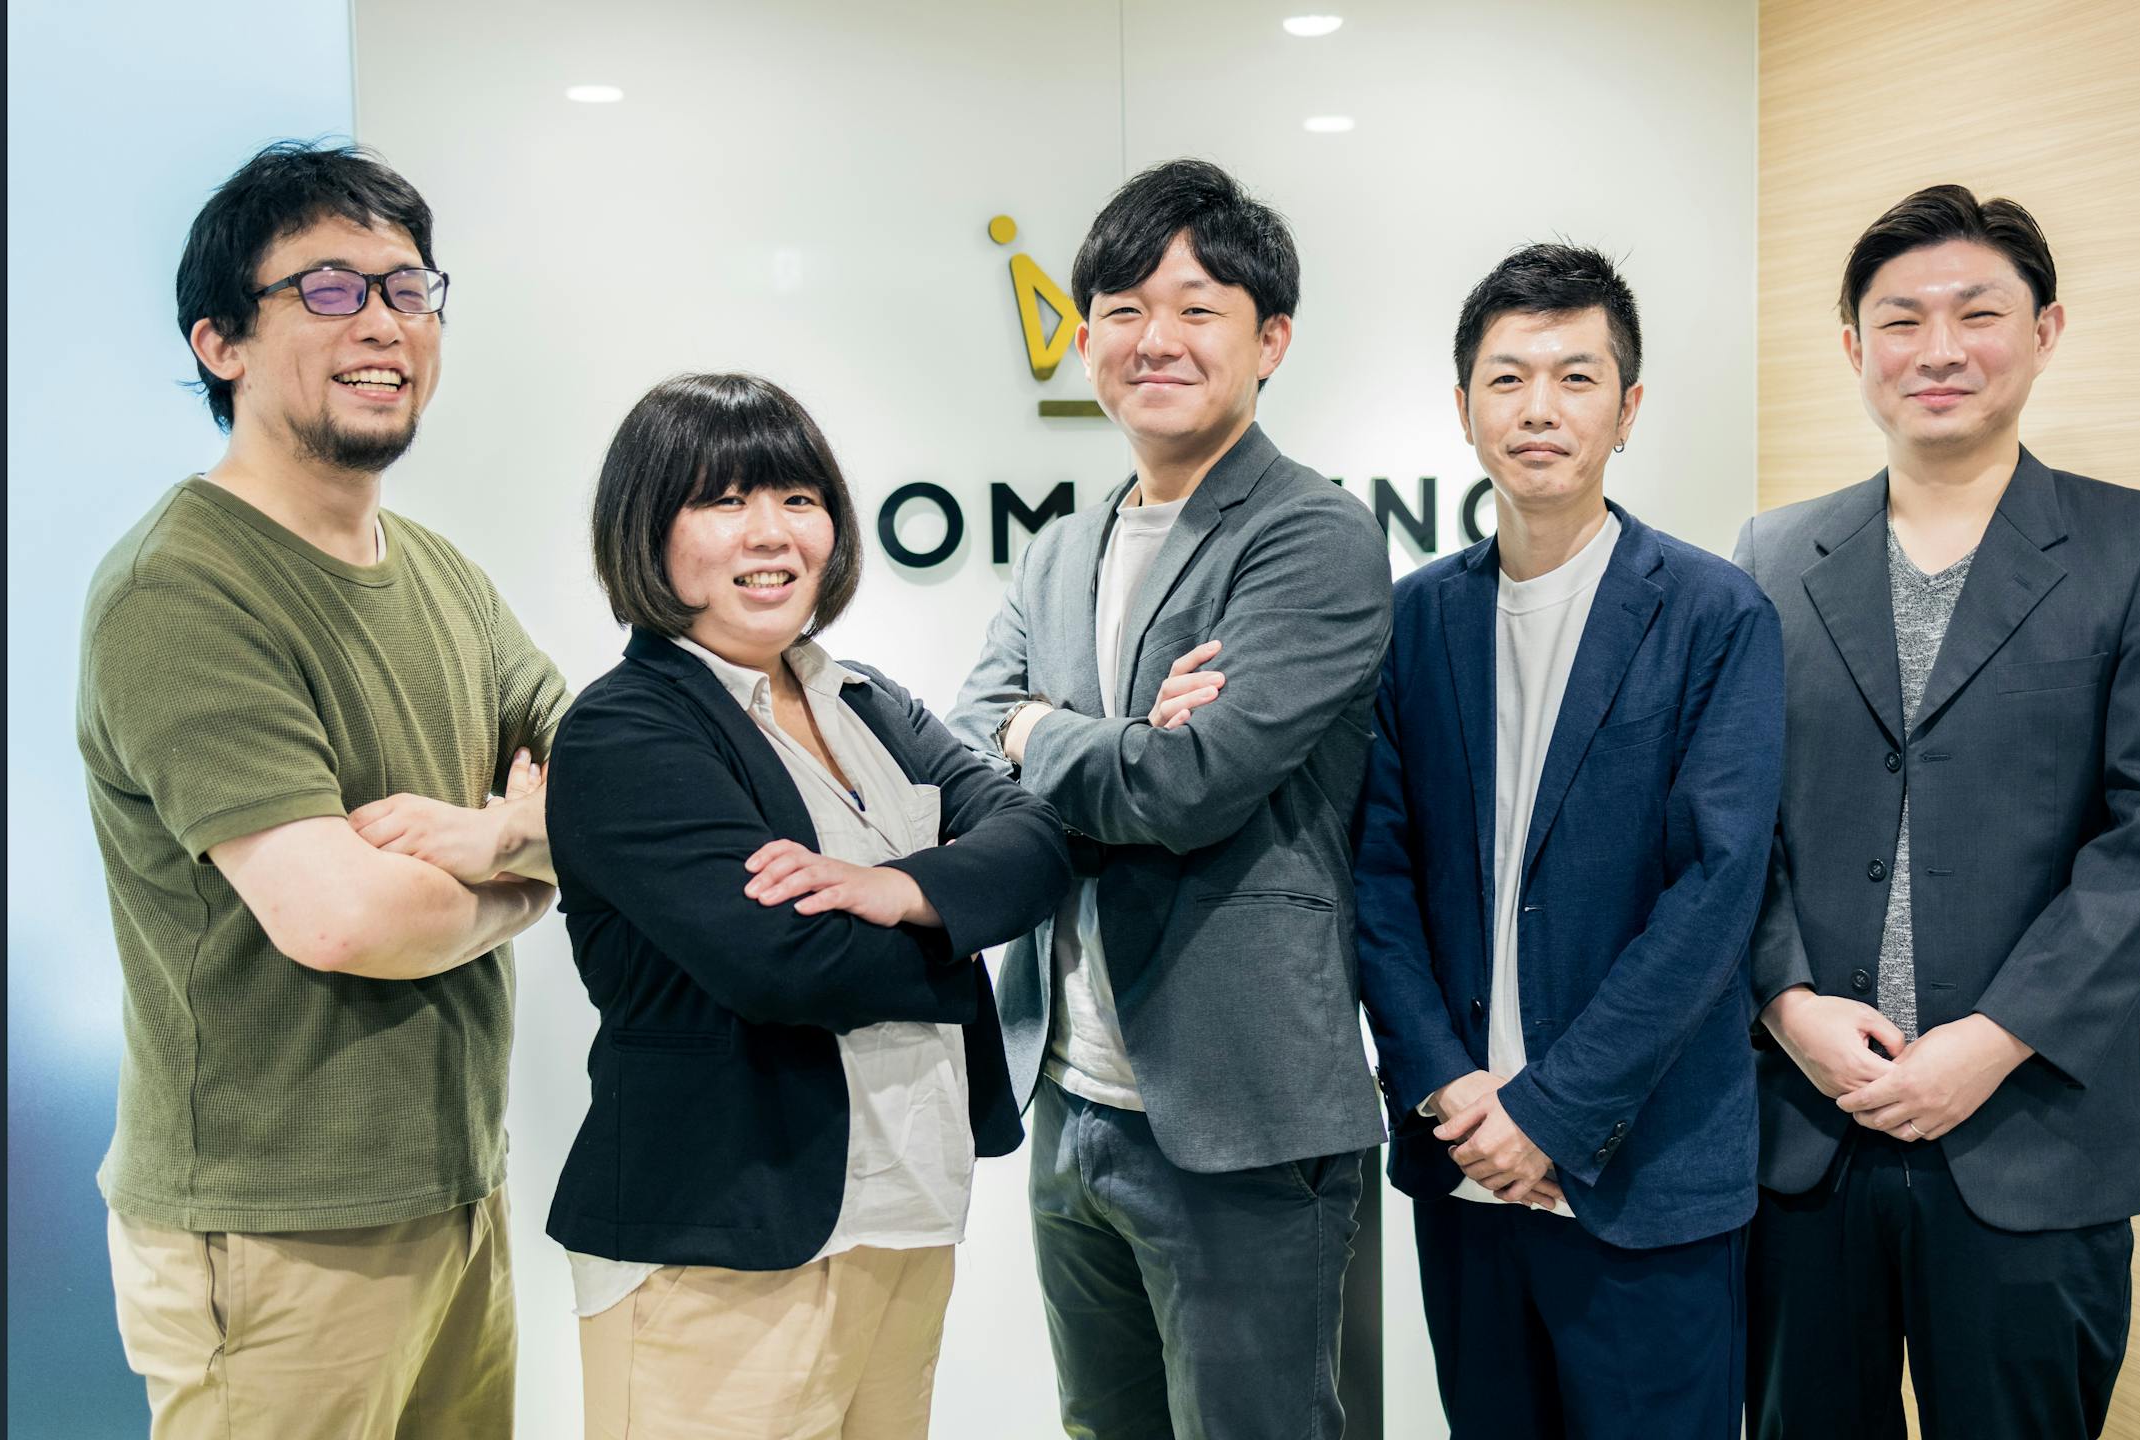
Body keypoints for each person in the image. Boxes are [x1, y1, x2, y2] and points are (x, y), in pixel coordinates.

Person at [77, 140, 570, 1438]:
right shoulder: (179, 588)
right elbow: (341, 919)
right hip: (272, 1232)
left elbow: (621, 792)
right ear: (221, 343)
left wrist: (494, 837)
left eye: (409, 289)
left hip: (456, 1194)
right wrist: (529, 876)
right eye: (331, 290)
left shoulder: (444, 576)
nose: (386, 324)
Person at [1733, 184, 2140, 1439]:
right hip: (1804, 1132)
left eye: (1976, 313)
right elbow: (1728, 822)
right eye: (1900, 320)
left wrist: (1990, 1039)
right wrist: (1786, 1005)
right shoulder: (1769, 556)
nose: (1938, 349)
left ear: (2044, 332)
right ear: (1853, 349)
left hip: (2030, 1137)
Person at [945, 158, 1392, 1440]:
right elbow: (965, 757)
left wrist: (1048, 728)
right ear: (1084, 337)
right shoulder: (1059, 549)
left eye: (1199, 309)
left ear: (1271, 341)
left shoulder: (1311, 535)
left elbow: (1188, 786)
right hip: (1070, 1098)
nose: (1156, 338)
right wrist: (1100, 739)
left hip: (1241, 1117)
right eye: (1124, 309)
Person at [540, 372, 1070, 1440]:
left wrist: (899, 888)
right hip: (721, 1240)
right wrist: (958, 929)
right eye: (722, 500)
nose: (771, 533)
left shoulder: (864, 699)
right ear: (648, 528)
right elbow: (781, 964)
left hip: (902, 1219)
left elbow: (1036, 843)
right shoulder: (627, 728)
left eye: (797, 498)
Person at [1353, 242, 1784, 1438]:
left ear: (1627, 409)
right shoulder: (1413, 618)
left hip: (1642, 1180)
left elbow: (1715, 894)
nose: (1538, 409)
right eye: (1507, 379)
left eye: (1575, 377)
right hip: (1463, 1169)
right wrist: (1450, 1090)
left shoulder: (1713, 613)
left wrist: (1546, 1113)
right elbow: (1376, 878)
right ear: (1463, 408)